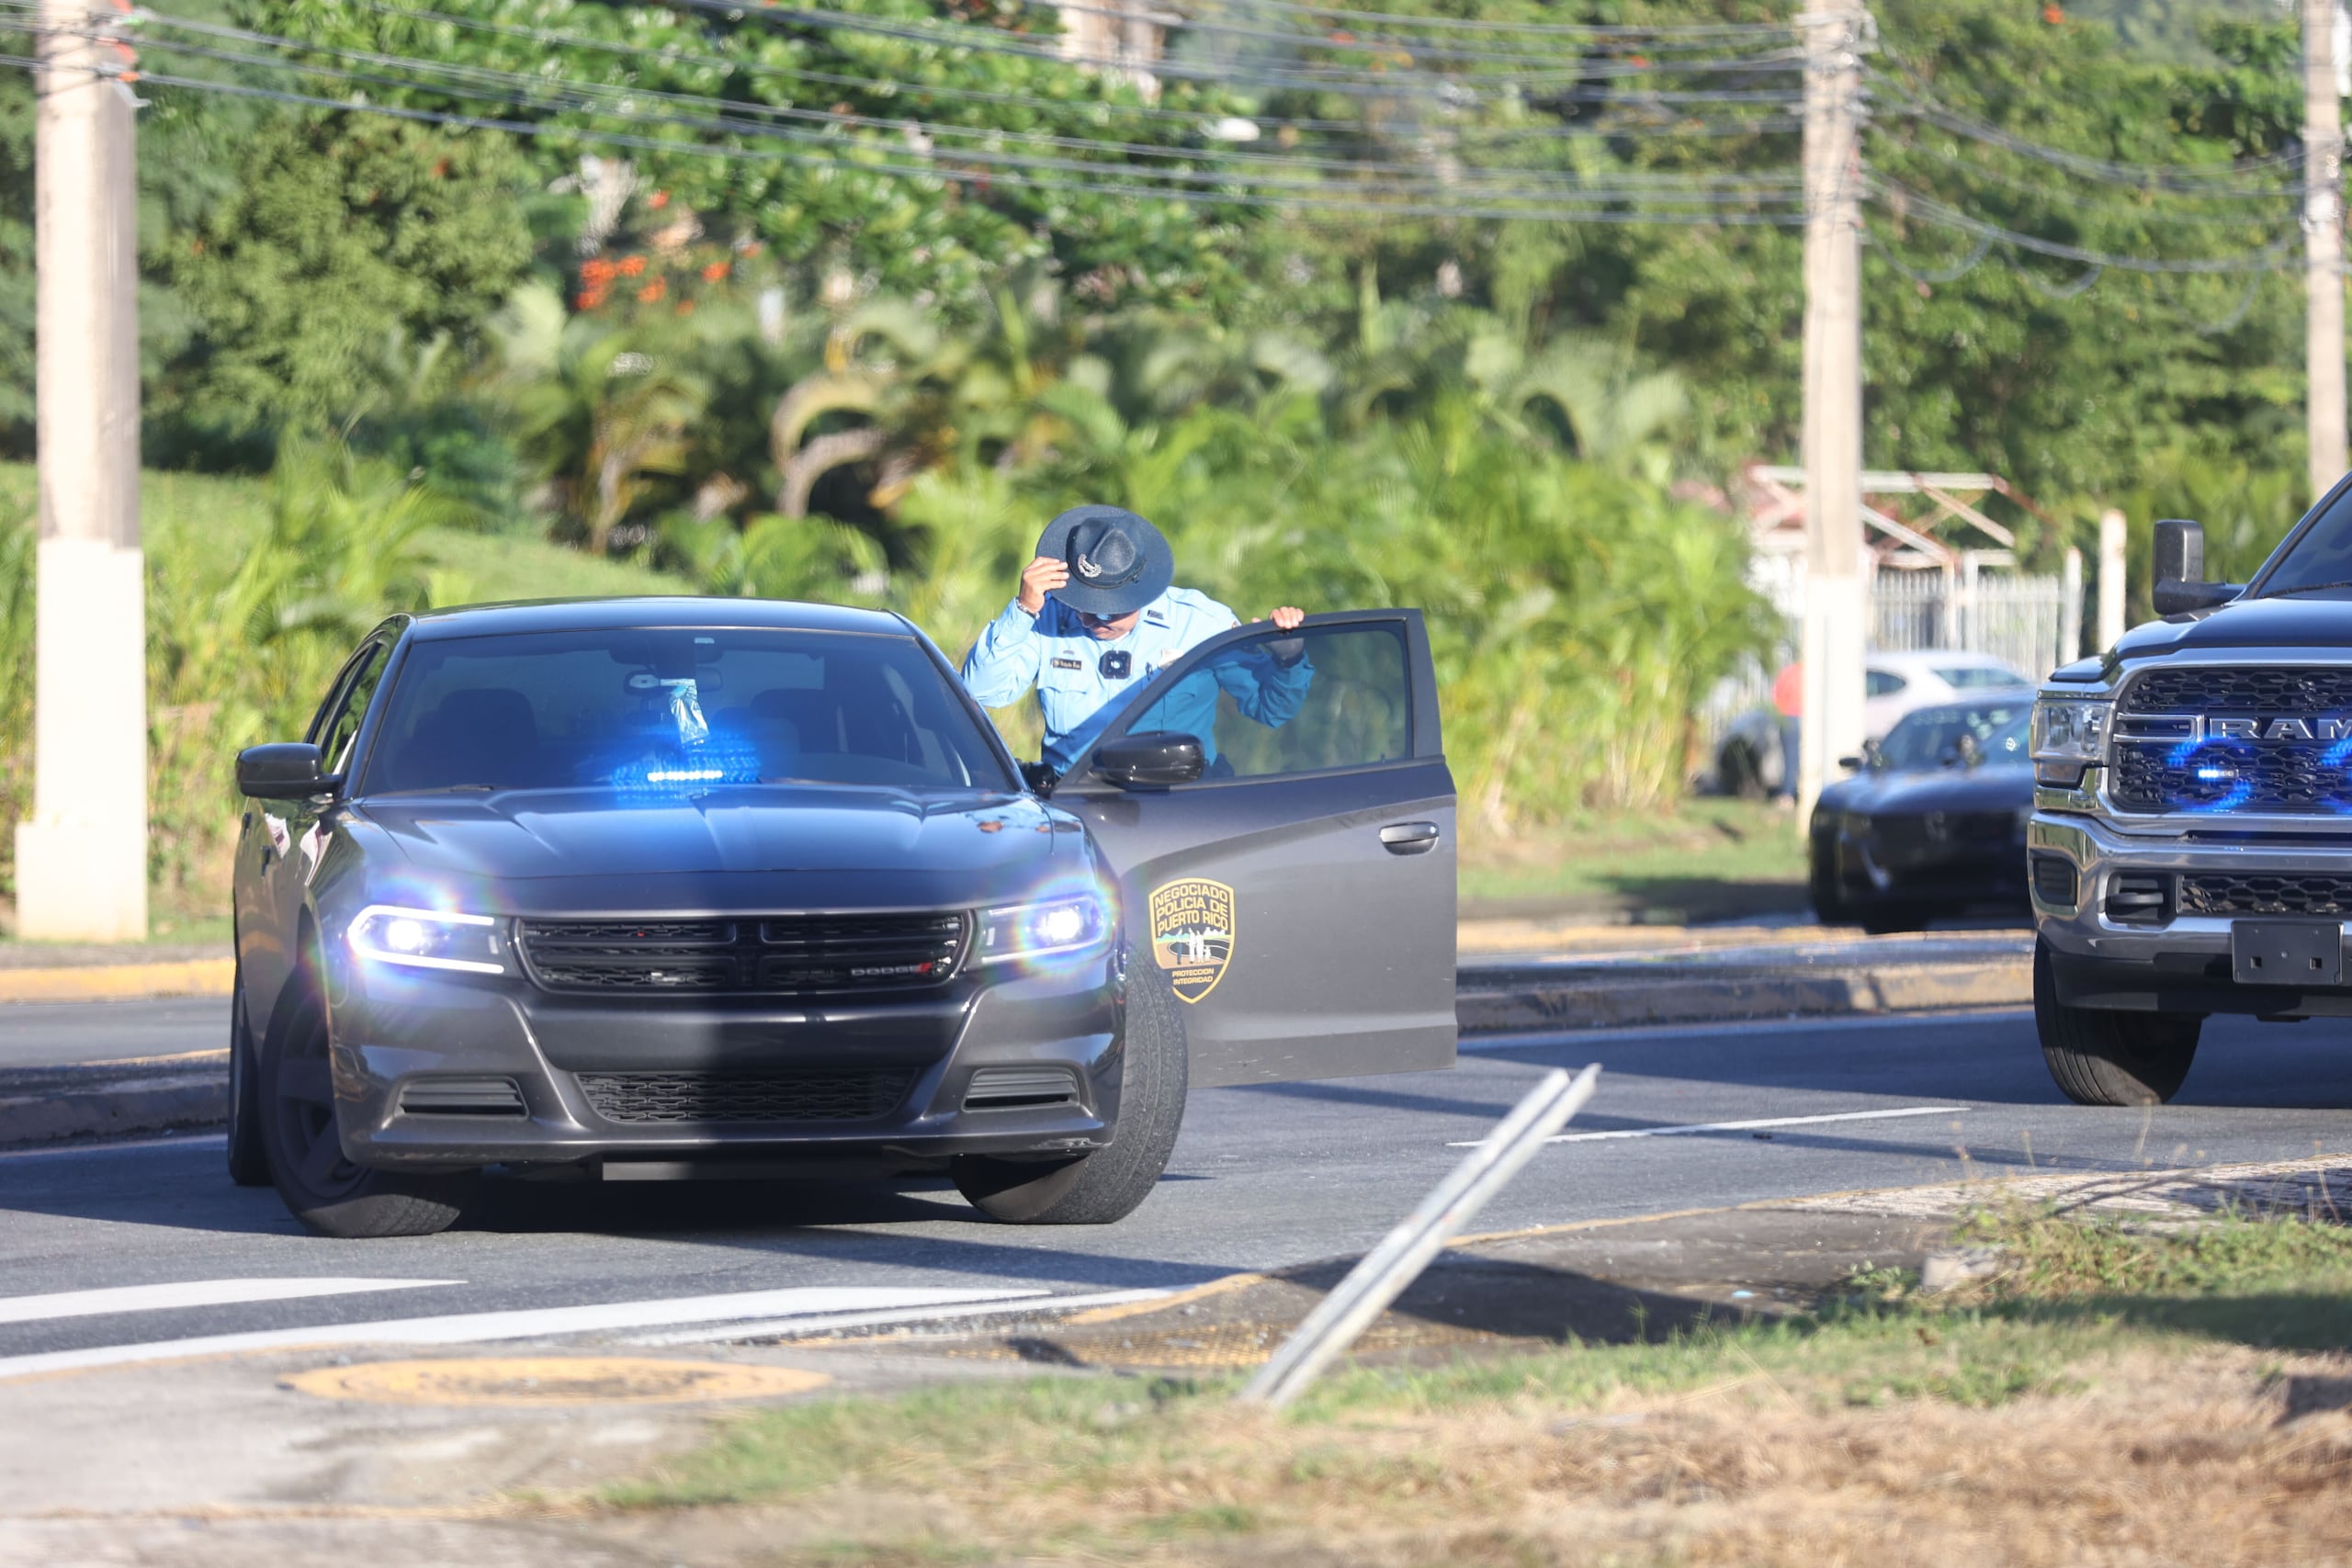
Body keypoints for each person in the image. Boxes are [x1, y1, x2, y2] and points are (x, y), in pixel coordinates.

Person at [960, 504, 1311, 789]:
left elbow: (1270, 709)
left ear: (1142, 590)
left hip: (1177, 801)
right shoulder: (1047, 617)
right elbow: (983, 692)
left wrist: (1289, 657)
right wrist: (1022, 610)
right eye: (1082, 604)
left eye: (1108, 611)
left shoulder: (1201, 623)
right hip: (1074, 799)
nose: (1090, 620)